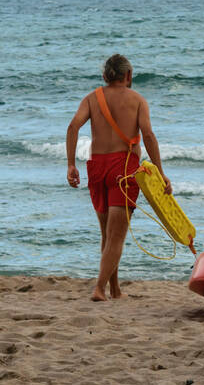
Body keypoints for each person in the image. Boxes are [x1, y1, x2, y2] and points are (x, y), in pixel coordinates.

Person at [66, 54, 165, 301]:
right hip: (124, 169)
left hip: (97, 167)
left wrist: (71, 165)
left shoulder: (91, 99)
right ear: (128, 76)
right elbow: (149, 136)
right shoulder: (138, 100)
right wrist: (161, 173)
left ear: (105, 76)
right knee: (116, 237)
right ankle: (99, 288)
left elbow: (73, 127)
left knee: (107, 236)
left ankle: (115, 289)